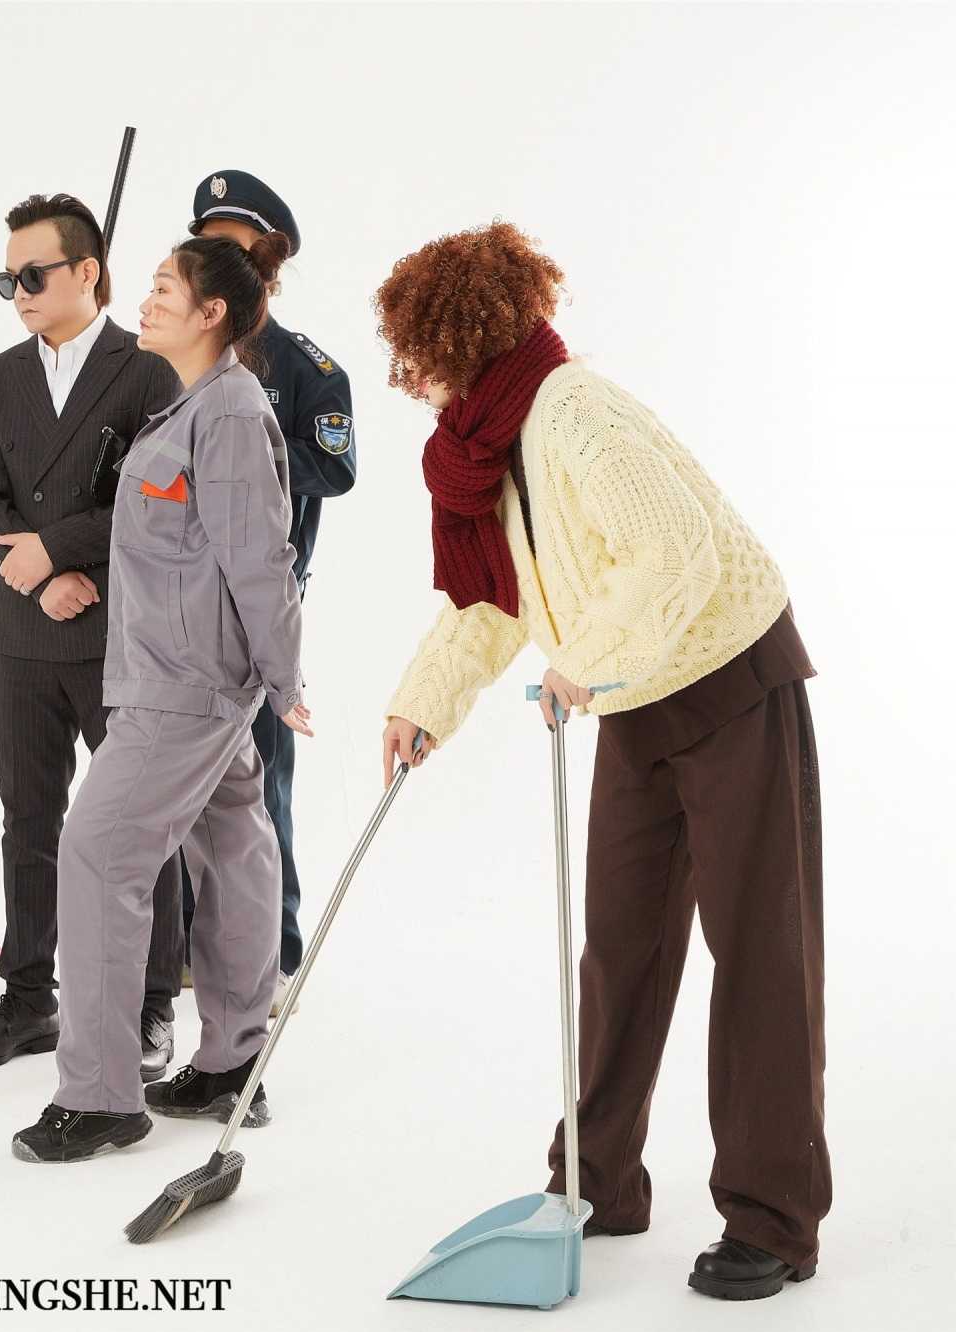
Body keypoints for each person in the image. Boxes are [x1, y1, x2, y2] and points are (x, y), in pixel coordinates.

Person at [375, 221, 827, 1301]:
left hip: (728, 680)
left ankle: (772, 1219)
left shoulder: (574, 410)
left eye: (415, 352)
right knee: (620, 948)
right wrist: (423, 703)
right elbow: (496, 601)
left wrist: (588, 658)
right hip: (633, 700)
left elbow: (675, 552)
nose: (405, 376)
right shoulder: (486, 447)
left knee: (758, 951)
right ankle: (598, 1180)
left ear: (462, 335)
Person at [12, 233, 313, 1164]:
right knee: (234, 849)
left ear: (213, 313)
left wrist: (284, 677)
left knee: (98, 853)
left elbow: (261, 558)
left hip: (186, 686)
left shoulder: (228, 414)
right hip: (177, 676)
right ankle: (231, 1066)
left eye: (164, 289)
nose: (144, 301)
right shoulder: (188, 407)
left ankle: (101, 1098)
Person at [0, 193, 186, 1079]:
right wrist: (43, 573)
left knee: (140, 822)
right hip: (25, 631)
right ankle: (28, 997)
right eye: (8, 278)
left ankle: (153, 1001)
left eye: (34, 274)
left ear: (88, 272)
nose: (19, 292)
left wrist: (57, 549)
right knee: (28, 819)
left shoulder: (148, 369)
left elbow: (155, 495)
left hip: (120, 631)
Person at [183, 169, 357, 1014]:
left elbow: (336, 468)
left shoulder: (304, 366)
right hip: (166, 610)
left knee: (257, 790)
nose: (217, 260)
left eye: (235, 247)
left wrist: (246, 444)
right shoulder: (169, 356)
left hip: (256, 617)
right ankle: (181, 954)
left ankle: (273, 958)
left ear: (268, 260)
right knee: (167, 791)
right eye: (205, 246)